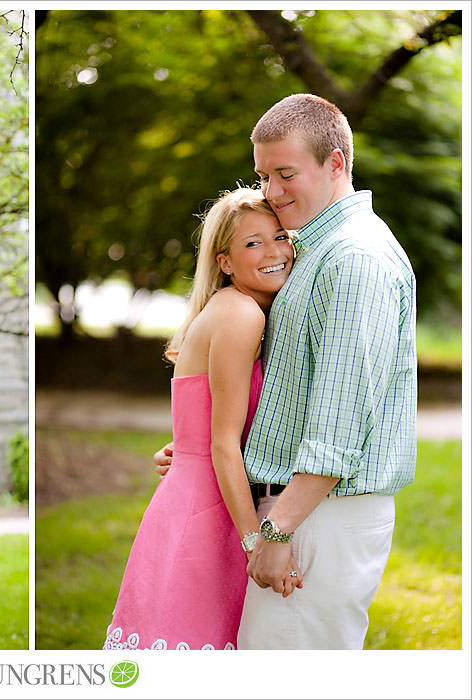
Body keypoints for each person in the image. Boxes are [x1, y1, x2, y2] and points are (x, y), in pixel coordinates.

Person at [155, 94, 417, 649]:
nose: (272, 192)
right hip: (298, 508)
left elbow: (339, 422)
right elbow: (289, 388)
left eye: (286, 173)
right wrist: (198, 446)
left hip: (319, 514)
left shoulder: (353, 259)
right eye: (263, 175)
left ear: (336, 163)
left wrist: (273, 533)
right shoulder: (314, 252)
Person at [104, 187, 301, 651]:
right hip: (210, 513)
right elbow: (222, 445)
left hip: (198, 497)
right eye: (253, 243)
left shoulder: (234, 308)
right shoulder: (240, 316)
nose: (273, 252)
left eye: (280, 236)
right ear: (225, 261)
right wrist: (256, 543)